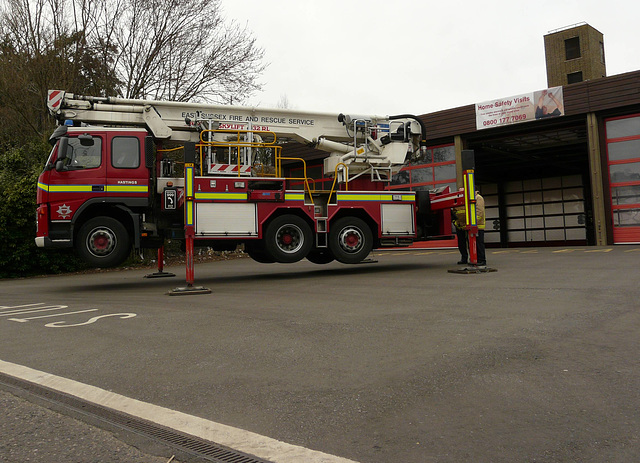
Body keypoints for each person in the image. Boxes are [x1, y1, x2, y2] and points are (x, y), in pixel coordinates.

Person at [453, 188, 487, 266]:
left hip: (476, 225)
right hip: (461, 225)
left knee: (478, 243)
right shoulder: (460, 199)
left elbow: (479, 212)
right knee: (461, 243)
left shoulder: (478, 198)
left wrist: (473, 224)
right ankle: (464, 258)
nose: (461, 193)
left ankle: (481, 259)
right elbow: (455, 213)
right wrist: (456, 223)